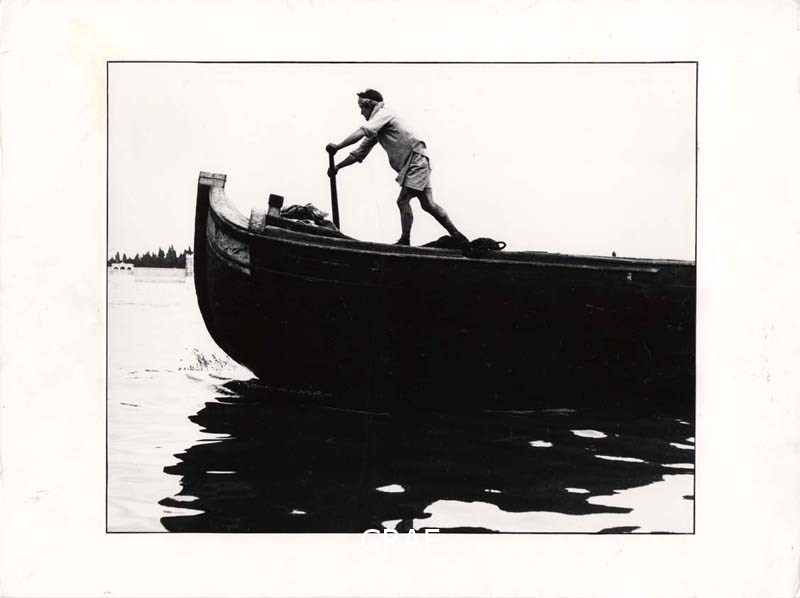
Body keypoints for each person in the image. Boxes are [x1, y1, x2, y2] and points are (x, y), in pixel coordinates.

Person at [326, 89, 468, 246]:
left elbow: (362, 131)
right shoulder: (377, 126)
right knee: (428, 204)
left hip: (416, 161)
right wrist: (337, 167)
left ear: (370, 105)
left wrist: (338, 146)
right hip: (416, 162)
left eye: (362, 108)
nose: (361, 112)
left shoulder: (383, 114)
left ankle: (405, 240)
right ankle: (459, 237)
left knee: (403, 200)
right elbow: (359, 153)